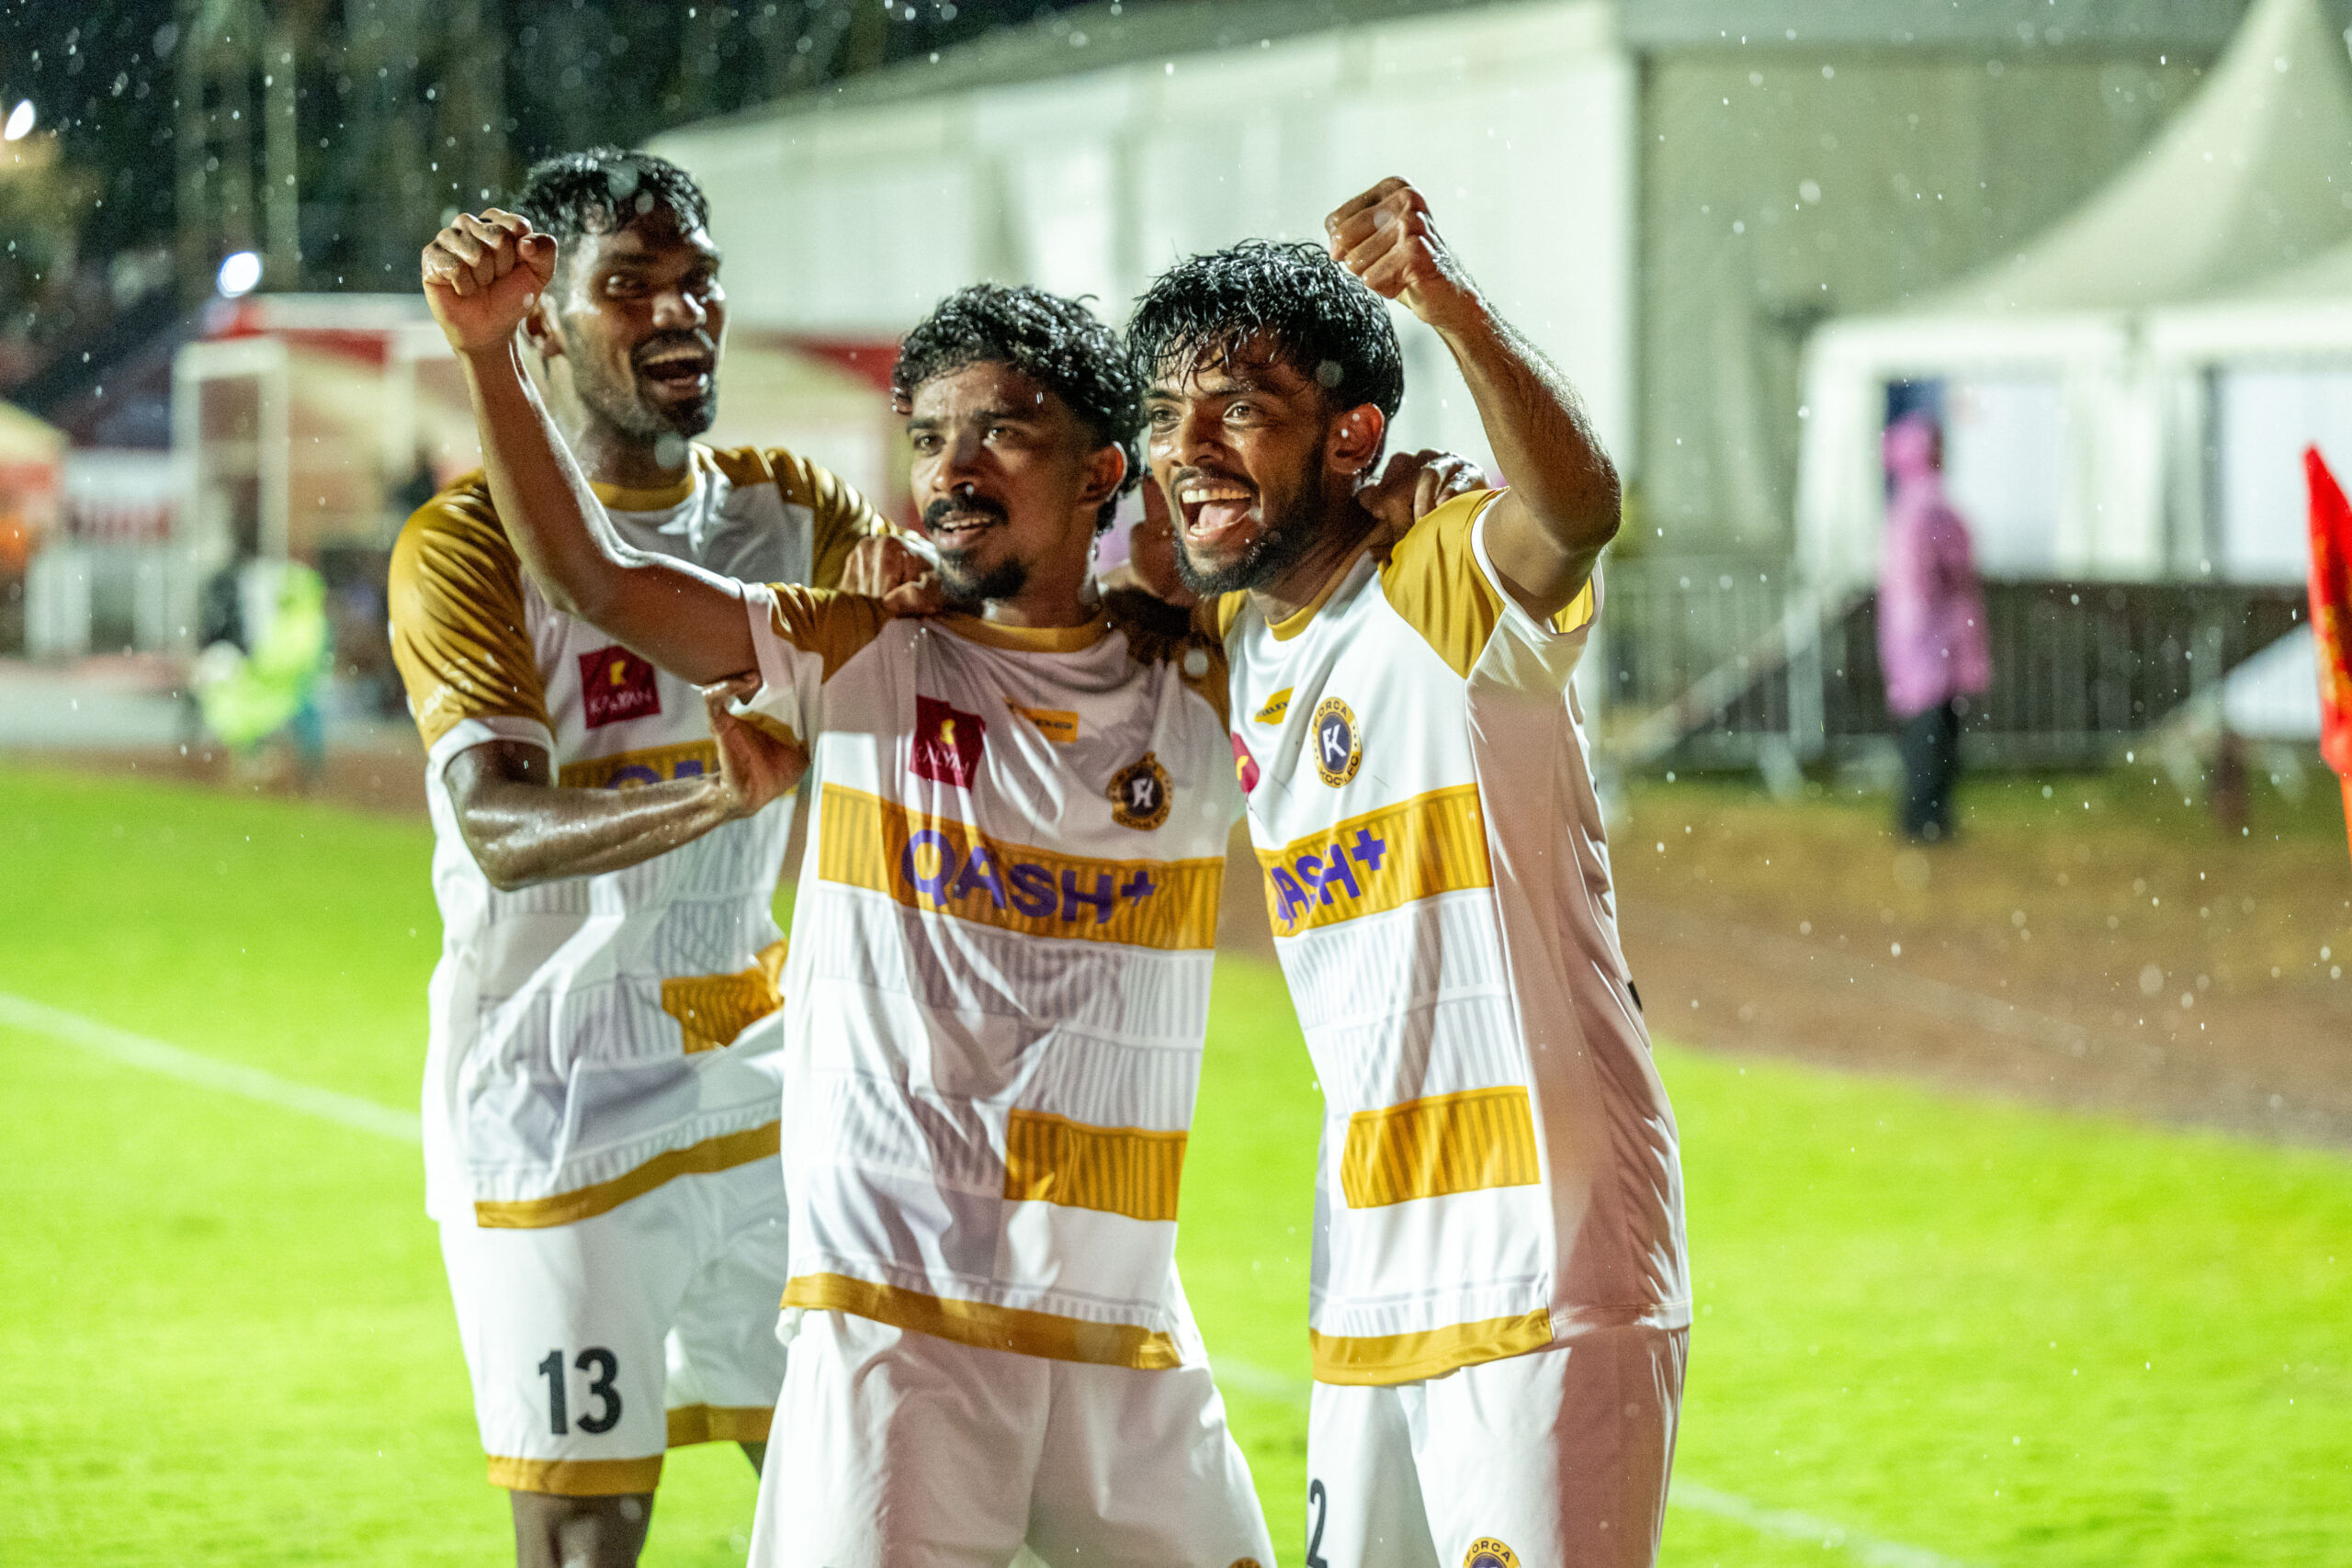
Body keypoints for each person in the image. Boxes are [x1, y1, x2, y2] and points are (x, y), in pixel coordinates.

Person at [422, 209, 1278, 1567]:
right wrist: (489, 360)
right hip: (898, 1317)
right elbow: (597, 574)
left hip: (1123, 1315)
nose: (953, 466)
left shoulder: (1198, 674)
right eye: (930, 437)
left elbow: (1357, 574)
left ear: (1106, 467)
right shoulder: (864, 652)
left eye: (1001, 430)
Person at [1130, 178, 1690, 1567]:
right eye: (1162, 414)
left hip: (1541, 1251)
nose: (1184, 448)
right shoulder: (1252, 646)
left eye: (1236, 409)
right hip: (1369, 1263)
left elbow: (1577, 508)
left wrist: (1448, 306)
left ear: (1353, 436)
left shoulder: (1437, 580)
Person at [394, 149, 892, 1568]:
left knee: (863, 1487)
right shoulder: (464, 548)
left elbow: (912, 663)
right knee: (584, 1541)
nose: (681, 313)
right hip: (556, 1088)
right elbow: (497, 827)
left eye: (699, 281)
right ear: (541, 319)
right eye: (631, 285)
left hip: (759, 1067)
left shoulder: (788, 506)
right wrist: (711, 796)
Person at [1877, 410, 1990, 843]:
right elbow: (1936, 574)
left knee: (1932, 728)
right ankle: (1925, 816)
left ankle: (1926, 813)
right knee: (1933, 731)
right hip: (1931, 639)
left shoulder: (1909, 507)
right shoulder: (1925, 508)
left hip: (1922, 638)